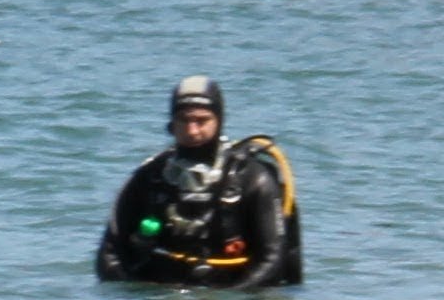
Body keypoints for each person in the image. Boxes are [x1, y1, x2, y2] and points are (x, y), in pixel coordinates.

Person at [97, 77, 301, 287]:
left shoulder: (252, 179)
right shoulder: (149, 177)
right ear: (171, 124)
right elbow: (108, 256)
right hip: (159, 297)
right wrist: (134, 296)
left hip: (234, 295)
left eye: (202, 121)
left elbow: (273, 260)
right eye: (183, 120)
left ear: (219, 121)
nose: (192, 131)